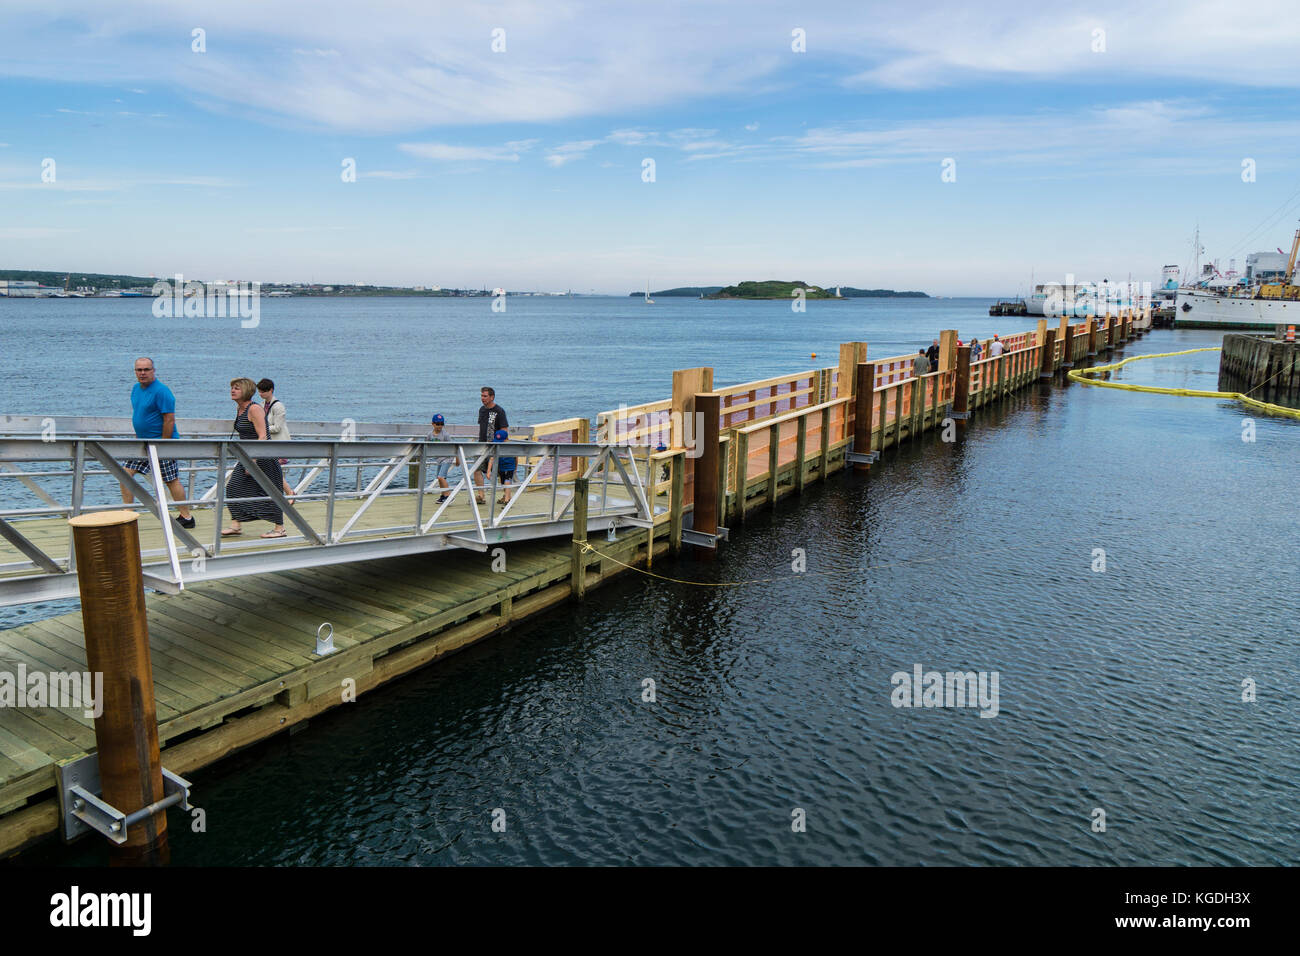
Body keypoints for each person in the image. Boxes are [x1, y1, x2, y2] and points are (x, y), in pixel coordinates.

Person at [120, 357, 195, 528]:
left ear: (153, 370)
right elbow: (141, 415)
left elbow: (169, 419)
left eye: (146, 369)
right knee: (124, 473)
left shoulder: (162, 391)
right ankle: (128, 514)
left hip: (161, 443)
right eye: (139, 370)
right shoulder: (135, 389)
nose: (143, 373)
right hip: (142, 443)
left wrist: (164, 444)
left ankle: (187, 517)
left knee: (171, 480)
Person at [221, 377, 286, 538]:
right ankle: (236, 524)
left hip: (262, 455)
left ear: (246, 391)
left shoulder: (254, 409)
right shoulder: (240, 409)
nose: (233, 390)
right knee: (233, 488)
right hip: (247, 455)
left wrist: (253, 461)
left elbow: (263, 435)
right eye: (232, 387)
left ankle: (280, 528)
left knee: (272, 490)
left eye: (237, 388)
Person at [256, 378, 295, 502]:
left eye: (263, 392)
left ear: (271, 390)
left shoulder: (278, 406)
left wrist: (262, 428)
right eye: (260, 392)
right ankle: (287, 494)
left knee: (273, 471)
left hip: (279, 444)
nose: (261, 394)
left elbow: (277, 427)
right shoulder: (261, 405)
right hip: (268, 445)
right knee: (272, 471)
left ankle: (286, 494)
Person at [474, 386, 508, 505]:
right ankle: (481, 495)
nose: (482, 398)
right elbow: (481, 427)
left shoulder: (499, 411)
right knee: (476, 469)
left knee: (500, 471)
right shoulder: (481, 410)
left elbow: (504, 430)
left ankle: (506, 495)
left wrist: (502, 445)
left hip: (495, 446)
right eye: (481, 396)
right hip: (482, 445)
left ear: (492, 397)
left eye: (485, 396)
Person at [429, 413, 454, 503]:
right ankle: (443, 495)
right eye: (437, 424)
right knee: (439, 478)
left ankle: (448, 496)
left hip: (447, 458)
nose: (440, 426)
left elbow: (453, 446)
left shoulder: (445, 435)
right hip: (439, 459)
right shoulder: (430, 435)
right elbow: (426, 445)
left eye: (441, 424)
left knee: (441, 477)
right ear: (433, 424)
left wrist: (457, 458)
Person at [494, 428, 516, 505]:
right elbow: (492, 458)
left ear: (506, 439)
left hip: (510, 467)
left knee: (507, 481)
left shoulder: (511, 446)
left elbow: (516, 457)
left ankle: (507, 500)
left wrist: (515, 468)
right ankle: (508, 497)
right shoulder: (497, 446)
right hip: (501, 468)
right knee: (503, 483)